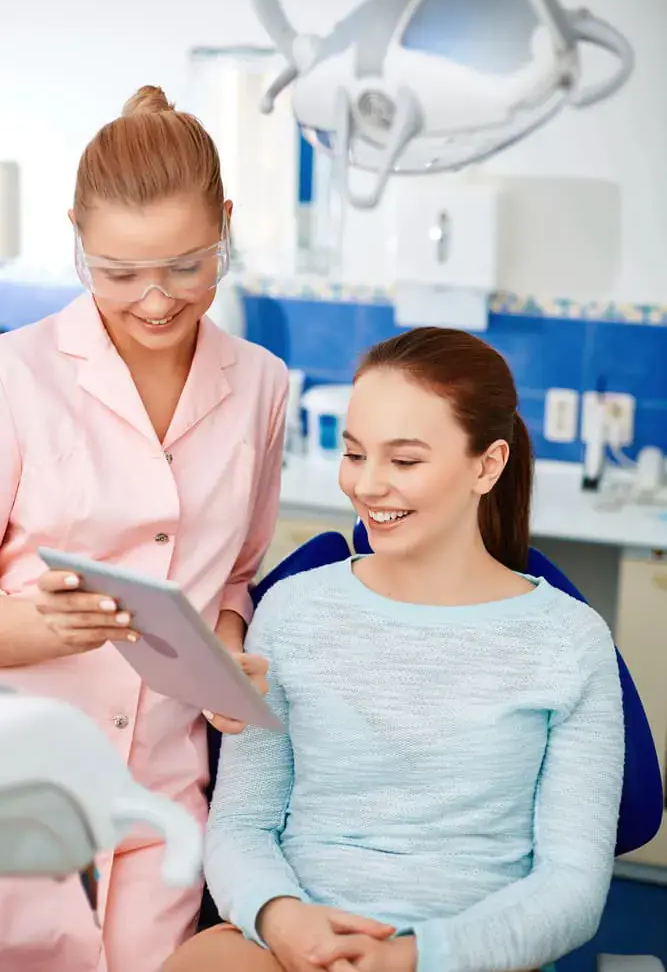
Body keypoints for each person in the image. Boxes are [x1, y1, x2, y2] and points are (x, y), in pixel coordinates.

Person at [164, 326, 624, 972]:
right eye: (354, 455)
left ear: (486, 465)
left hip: (467, 954)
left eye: (403, 461)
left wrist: (414, 957)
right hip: (294, 943)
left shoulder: (569, 643)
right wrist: (281, 917)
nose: (367, 486)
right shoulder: (293, 611)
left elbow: (570, 887)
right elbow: (242, 824)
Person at [0, 85, 287, 971]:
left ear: (226, 226)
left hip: (161, 795)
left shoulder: (262, 386)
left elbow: (235, 573)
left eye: (187, 266)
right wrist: (24, 629)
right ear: (78, 240)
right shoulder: (15, 378)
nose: (156, 300)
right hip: (22, 792)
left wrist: (227, 655)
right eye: (119, 272)